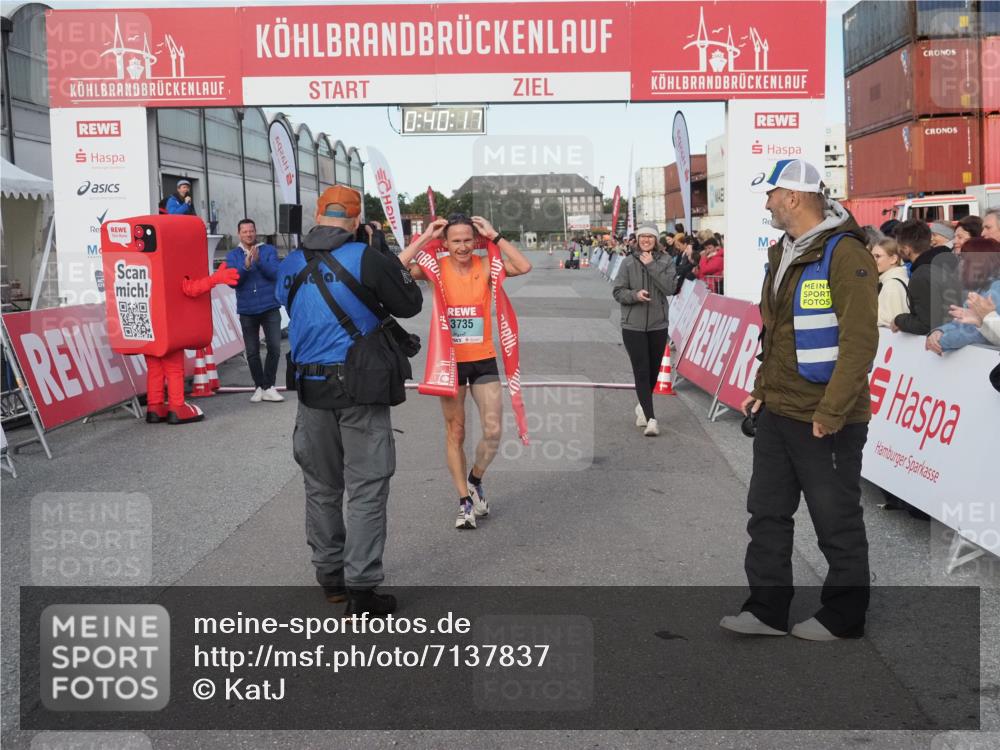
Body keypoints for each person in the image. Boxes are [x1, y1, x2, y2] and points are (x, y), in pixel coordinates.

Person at [720, 159, 878, 641]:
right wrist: (762, 391)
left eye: (771, 193)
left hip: (825, 417)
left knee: (836, 519)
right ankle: (766, 608)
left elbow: (858, 343)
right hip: (778, 410)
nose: (766, 202)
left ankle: (845, 615)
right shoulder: (785, 251)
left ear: (793, 196)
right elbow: (780, 333)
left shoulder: (845, 254)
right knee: (766, 511)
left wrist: (831, 412)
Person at [276, 185, 423, 616]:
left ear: (319, 216)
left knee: (321, 486)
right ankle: (362, 588)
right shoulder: (367, 257)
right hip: (360, 386)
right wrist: (380, 255)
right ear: (357, 220)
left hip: (308, 387)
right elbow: (410, 303)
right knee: (366, 486)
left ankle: (331, 578)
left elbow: (287, 304)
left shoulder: (289, 262)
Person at [398, 214, 532, 530]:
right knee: (455, 432)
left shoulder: (486, 265)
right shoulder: (436, 268)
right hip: (450, 361)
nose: (461, 246)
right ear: (445, 244)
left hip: (483, 357)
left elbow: (523, 266)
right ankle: (464, 502)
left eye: (467, 240)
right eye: (455, 241)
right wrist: (424, 236)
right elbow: (396, 268)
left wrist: (494, 234)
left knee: (493, 429)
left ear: (476, 241)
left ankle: (475, 479)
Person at [612, 223, 677, 437]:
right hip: (633, 326)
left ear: (656, 240)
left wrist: (651, 266)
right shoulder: (628, 262)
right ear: (637, 240)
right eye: (642, 237)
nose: (646, 240)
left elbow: (670, 288)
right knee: (641, 370)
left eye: (650, 237)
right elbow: (618, 291)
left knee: (653, 372)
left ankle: (642, 405)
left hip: (658, 324)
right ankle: (651, 418)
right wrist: (634, 296)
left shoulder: (666, 261)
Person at [225, 219, 283, 402]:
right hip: (247, 309)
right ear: (239, 234)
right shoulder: (233, 255)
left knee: (274, 347)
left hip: (270, 306)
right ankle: (259, 386)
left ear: (255, 232)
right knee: (252, 351)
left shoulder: (268, 250)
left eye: (251, 231)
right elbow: (232, 281)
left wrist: (259, 262)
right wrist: (246, 266)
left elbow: (276, 273)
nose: (249, 234)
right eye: (245, 232)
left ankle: (269, 385)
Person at [928, 237, 1000, 353]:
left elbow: (981, 334)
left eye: (962, 258)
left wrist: (941, 341)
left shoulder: (996, 289)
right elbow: (962, 322)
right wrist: (939, 331)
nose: (960, 263)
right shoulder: (980, 288)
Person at [891, 219, 961, 335]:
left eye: (899, 245)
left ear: (907, 249)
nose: (898, 250)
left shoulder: (921, 275)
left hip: (941, 344)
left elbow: (926, 324)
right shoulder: (944, 265)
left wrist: (899, 320)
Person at [871, 238, 909, 328]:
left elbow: (889, 322)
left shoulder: (892, 285)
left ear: (893, 259)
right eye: (871, 256)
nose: (872, 260)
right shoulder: (896, 280)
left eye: (877, 256)